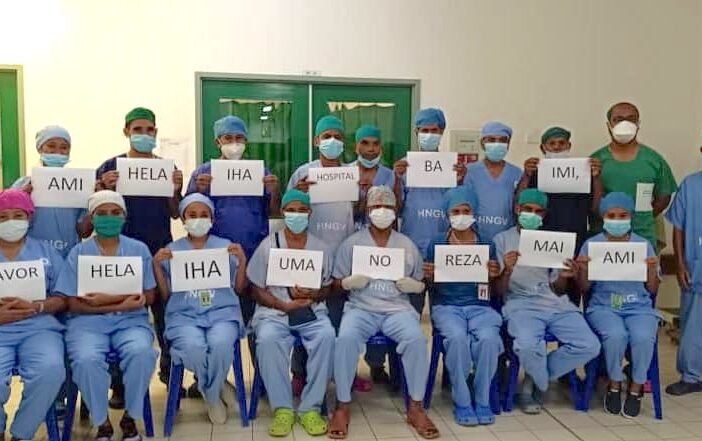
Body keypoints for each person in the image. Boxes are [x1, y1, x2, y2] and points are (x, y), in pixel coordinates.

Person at [329, 185, 439, 440]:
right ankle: (342, 406)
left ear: (396, 210)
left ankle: (416, 407)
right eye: (376, 207)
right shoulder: (353, 243)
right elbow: (335, 281)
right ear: (367, 210)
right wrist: (346, 283)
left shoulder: (406, 245)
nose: (382, 212)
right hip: (361, 308)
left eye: (387, 207)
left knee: (416, 340)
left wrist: (416, 286)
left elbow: (421, 281)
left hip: (397, 309)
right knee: (345, 340)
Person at [187, 115, 280, 396]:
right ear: (218, 142)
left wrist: (273, 190)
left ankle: (262, 377)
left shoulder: (260, 171)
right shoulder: (204, 172)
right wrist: (199, 190)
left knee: (255, 318)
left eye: (239, 139)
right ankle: (209, 377)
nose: (234, 144)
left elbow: (274, 211)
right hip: (213, 256)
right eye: (228, 138)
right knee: (214, 317)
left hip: (253, 252)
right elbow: (189, 213)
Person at [57, 190, 157, 441]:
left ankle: (130, 417)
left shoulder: (138, 249)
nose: (109, 218)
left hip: (131, 323)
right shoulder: (78, 254)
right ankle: (101, 422)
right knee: (86, 359)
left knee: (142, 353)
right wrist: (112, 305)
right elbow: (71, 302)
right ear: (92, 218)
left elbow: (150, 294)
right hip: (87, 325)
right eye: (101, 213)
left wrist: (119, 304)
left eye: (115, 213)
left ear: (124, 216)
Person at [95, 107, 181, 394]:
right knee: (121, 317)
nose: (144, 135)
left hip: (159, 251)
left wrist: (175, 190)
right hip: (120, 253)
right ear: (126, 132)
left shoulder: (165, 168)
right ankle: (120, 384)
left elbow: (174, 213)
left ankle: (170, 376)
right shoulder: (110, 167)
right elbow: (96, 211)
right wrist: (105, 188)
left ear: (155, 132)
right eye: (137, 130)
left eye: (149, 130)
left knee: (165, 315)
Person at [493, 189, 600, 414]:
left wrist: (563, 276)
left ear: (544, 215)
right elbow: (499, 291)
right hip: (519, 304)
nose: (532, 214)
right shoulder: (502, 240)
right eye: (527, 209)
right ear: (517, 209)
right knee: (528, 345)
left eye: (538, 211)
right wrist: (507, 270)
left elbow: (556, 288)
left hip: (552, 302)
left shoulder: (551, 241)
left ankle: (537, 379)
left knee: (590, 345)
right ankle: (530, 387)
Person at [287, 116, 371, 393]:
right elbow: (288, 211)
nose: (331, 141)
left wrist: (362, 198)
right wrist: (298, 194)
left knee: (343, 317)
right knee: (307, 314)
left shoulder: (350, 174)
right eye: (326, 136)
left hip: (343, 254)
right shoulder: (303, 174)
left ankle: (344, 371)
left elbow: (358, 213)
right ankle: (299, 372)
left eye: (337, 136)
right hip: (308, 255)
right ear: (316, 141)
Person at [152, 193, 247, 424]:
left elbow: (238, 288)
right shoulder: (172, 251)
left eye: (204, 215)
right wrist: (156, 264)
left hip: (222, 313)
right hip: (184, 317)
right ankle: (216, 392)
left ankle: (209, 391)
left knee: (221, 344)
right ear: (183, 218)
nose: (198, 219)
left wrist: (242, 261)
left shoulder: (225, 247)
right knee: (193, 348)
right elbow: (166, 295)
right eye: (192, 215)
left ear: (212, 218)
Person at [247, 189, 335, 437]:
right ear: (283, 212)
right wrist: (281, 305)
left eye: (302, 210)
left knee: (326, 337)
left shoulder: (321, 248)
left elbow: (327, 287)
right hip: (275, 312)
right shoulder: (269, 245)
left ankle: (310, 408)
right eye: (291, 210)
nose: (296, 215)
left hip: (310, 312)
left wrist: (313, 295)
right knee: (267, 340)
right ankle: (283, 408)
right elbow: (255, 288)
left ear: (310, 213)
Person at [576, 192, 660, 418]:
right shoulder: (592, 245)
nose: (617, 219)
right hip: (603, 307)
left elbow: (651, 289)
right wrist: (583, 270)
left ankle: (636, 386)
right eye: (611, 215)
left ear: (630, 216)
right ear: (604, 217)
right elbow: (584, 288)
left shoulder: (642, 245)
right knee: (616, 336)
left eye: (622, 215)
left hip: (638, 307)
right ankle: (614, 383)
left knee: (643, 337)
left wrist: (652, 269)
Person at [423, 187, 503, 426]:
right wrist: (430, 275)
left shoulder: (486, 244)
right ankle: (462, 400)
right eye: (455, 211)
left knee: (489, 340)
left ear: (474, 213)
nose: (461, 215)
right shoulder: (437, 243)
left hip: (480, 307)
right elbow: (432, 286)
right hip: (447, 307)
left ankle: (482, 398)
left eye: (465, 211)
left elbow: (493, 286)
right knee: (457, 339)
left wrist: (494, 274)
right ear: (447, 215)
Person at [0, 189, 66, 441]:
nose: (11, 222)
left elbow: (63, 298)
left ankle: (22, 432)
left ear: (29, 217)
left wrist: (38, 307)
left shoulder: (46, 253)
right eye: (3, 217)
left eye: (18, 215)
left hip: (38, 328)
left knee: (50, 370)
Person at [517, 126, 604, 305]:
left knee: (569, 291)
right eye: (552, 143)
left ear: (569, 145)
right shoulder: (535, 172)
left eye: (561, 143)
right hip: (541, 239)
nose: (557, 147)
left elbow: (596, 208)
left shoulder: (582, 173)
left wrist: (596, 178)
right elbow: (518, 204)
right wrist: (526, 175)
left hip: (574, 238)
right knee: (541, 287)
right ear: (543, 148)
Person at [394, 108, 467, 315]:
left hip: (443, 245)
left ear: (442, 131)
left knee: (443, 309)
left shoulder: (451, 167)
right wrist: (396, 179)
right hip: (412, 245)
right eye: (424, 130)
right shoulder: (406, 166)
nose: (429, 135)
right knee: (410, 309)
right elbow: (397, 208)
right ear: (416, 132)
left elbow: (460, 205)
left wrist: (460, 180)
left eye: (433, 130)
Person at [590, 102, 677, 249]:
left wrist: (642, 218)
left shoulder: (654, 161)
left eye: (631, 119)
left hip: (643, 237)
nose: (625, 123)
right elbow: (588, 202)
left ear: (638, 124)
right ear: (608, 125)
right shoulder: (596, 161)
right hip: (603, 240)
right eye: (618, 119)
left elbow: (663, 198)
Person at [13, 126, 92, 257]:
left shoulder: (79, 185)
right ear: (40, 148)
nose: (57, 152)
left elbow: (84, 232)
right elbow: (7, 220)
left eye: (64, 147)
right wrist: (21, 198)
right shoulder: (24, 184)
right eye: (51, 146)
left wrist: (94, 204)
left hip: (67, 255)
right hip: (32, 257)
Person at [664, 149, 702, 396]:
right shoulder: (691, 184)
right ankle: (691, 376)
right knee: (693, 325)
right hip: (695, 266)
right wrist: (679, 264)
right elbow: (678, 227)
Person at [464, 121, 522, 242]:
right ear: (482, 143)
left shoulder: (517, 173)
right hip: (476, 238)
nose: (497, 144)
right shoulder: (469, 171)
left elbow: (519, 206)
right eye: (491, 140)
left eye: (502, 140)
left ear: (508, 144)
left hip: (506, 239)